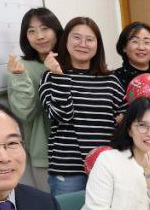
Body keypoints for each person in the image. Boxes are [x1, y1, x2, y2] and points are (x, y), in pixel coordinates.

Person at [38, 16, 124, 196]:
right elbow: (61, 116)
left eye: (90, 39)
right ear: (66, 41)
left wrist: (123, 119)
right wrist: (59, 76)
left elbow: (124, 118)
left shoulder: (111, 80)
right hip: (68, 170)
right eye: (76, 37)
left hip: (105, 168)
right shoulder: (50, 77)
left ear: (97, 45)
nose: (83, 44)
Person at [6, 7, 63, 191]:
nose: (39, 36)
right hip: (45, 156)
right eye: (31, 31)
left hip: (82, 151)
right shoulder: (22, 67)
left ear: (56, 30)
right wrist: (21, 76)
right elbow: (25, 112)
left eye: (45, 28)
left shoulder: (72, 60)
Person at [112, 21, 150, 98]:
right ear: (124, 47)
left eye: (146, 42)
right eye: (135, 41)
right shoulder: (114, 79)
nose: (141, 47)